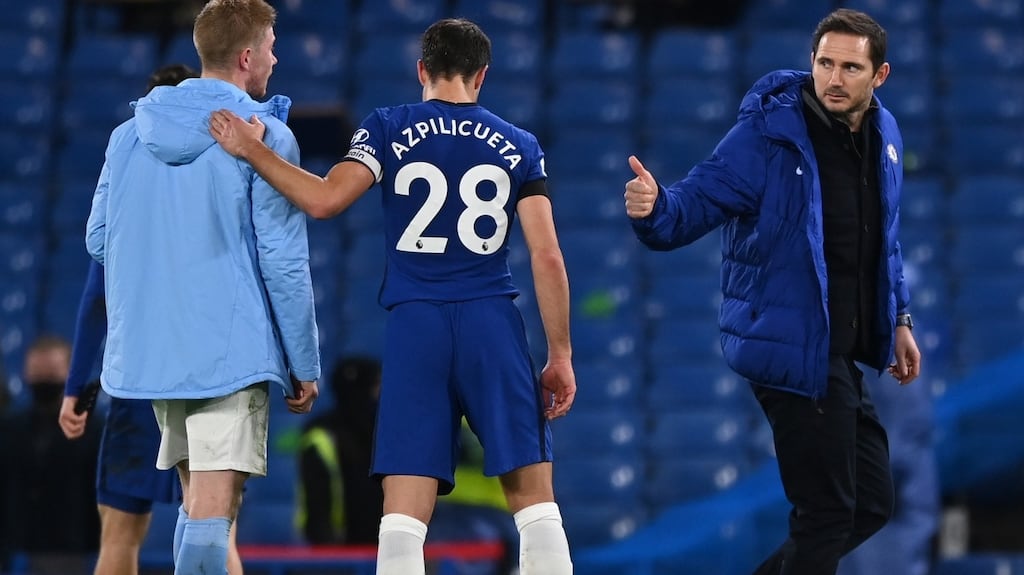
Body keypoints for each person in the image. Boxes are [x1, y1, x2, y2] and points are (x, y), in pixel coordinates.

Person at [209, 17, 576, 575]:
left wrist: (253, 152)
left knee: (404, 516)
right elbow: (547, 257)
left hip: (416, 325)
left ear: (422, 70)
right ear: (482, 75)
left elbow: (326, 200)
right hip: (491, 322)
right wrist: (561, 354)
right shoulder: (519, 144)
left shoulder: (389, 127)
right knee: (534, 503)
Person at [622, 8, 922, 575]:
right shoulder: (767, 134)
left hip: (842, 351)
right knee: (828, 511)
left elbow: (885, 238)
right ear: (811, 61)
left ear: (879, 76)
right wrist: (654, 207)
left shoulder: (886, 133)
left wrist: (900, 317)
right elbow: (691, 207)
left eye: (850, 67)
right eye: (824, 63)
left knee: (872, 504)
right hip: (791, 345)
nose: (834, 78)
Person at [84, 1, 321, 573]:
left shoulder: (126, 135)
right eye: (269, 45)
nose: (275, 55)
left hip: (156, 350)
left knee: (199, 509)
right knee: (215, 514)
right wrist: (304, 362)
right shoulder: (264, 136)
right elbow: (283, 260)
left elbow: (98, 239)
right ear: (246, 58)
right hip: (227, 348)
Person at [57, 59, 244, 575]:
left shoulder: (128, 181)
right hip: (211, 376)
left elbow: (98, 296)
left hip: (141, 379)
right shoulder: (222, 178)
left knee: (119, 537)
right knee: (215, 530)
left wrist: (76, 385)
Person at [0, 336, 101, 570]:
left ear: (69, 373)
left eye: (51, 373)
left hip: (76, 552)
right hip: (15, 551)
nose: (44, 380)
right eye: (37, 373)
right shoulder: (8, 429)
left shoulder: (94, 430)